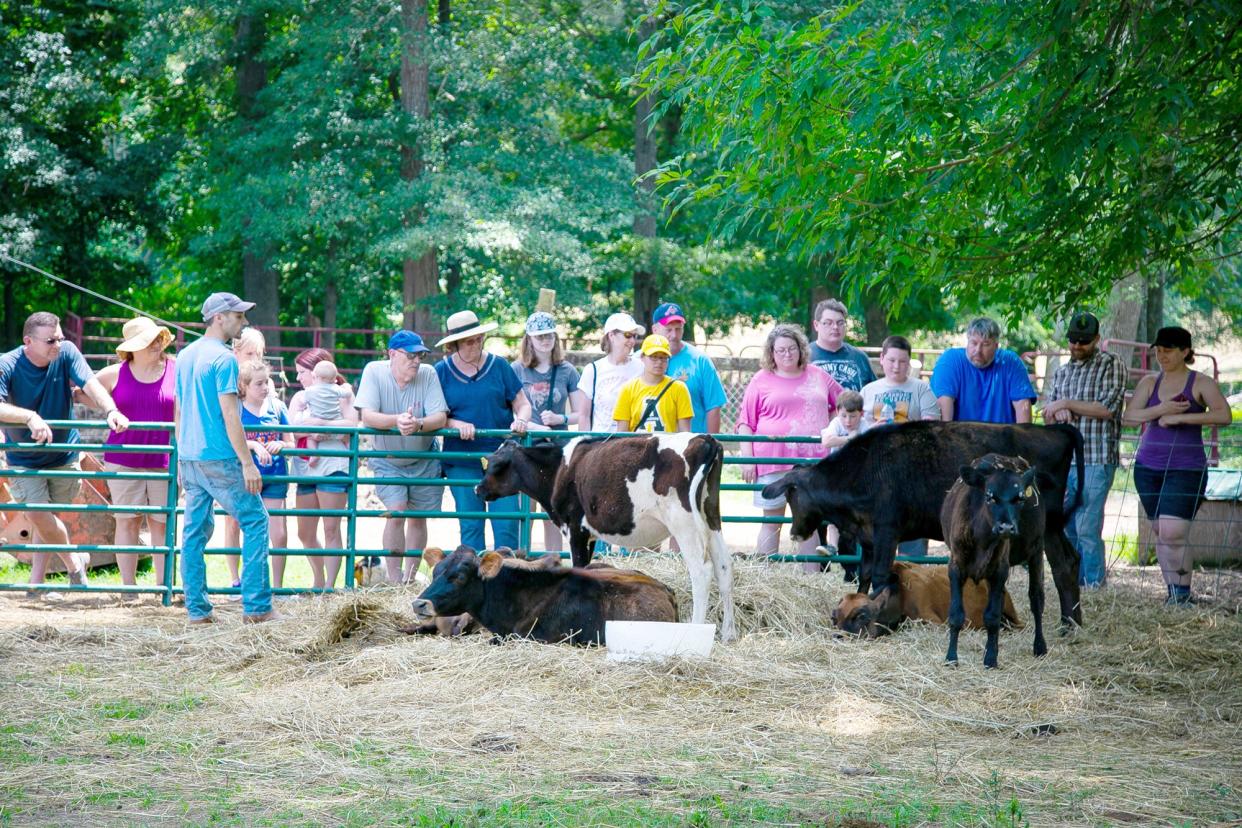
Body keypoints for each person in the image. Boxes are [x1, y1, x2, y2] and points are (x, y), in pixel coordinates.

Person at [0, 311, 129, 590]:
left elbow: (90, 383)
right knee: (38, 513)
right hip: (23, 457)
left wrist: (111, 410)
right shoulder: (7, 364)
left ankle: (36, 583)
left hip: (63, 453)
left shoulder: (67, 353)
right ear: (28, 341)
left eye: (60, 337)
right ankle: (74, 562)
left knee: (49, 517)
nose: (58, 344)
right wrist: (29, 417)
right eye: (50, 340)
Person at [173, 292, 275, 624]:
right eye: (238, 316)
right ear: (220, 317)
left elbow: (178, 411)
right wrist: (247, 462)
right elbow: (231, 416)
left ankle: (198, 611)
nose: (243, 322)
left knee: (193, 533)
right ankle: (258, 608)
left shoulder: (186, 355)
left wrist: (179, 458)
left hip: (190, 458)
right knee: (256, 520)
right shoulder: (223, 359)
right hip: (218, 456)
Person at [1122, 326, 1232, 605]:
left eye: (1168, 350)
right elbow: (1130, 417)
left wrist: (1183, 419)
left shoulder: (1201, 382)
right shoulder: (1149, 382)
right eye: (1158, 350)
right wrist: (1162, 410)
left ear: (1185, 351)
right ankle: (1173, 593)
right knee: (1162, 532)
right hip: (1148, 468)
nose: (1161, 355)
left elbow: (1224, 415)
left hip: (1187, 468)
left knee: (1173, 532)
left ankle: (1182, 595)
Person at [736, 324, 842, 558]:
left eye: (792, 348)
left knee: (809, 522)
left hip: (811, 462)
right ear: (771, 353)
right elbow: (745, 421)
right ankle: (765, 576)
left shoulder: (818, 376)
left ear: (801, 349)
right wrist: (747, 460)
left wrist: (831, 427)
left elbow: (842, 405)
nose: (787, 354)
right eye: (780, 350)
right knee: (772, 519)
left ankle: (811, 581)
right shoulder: (761, 379)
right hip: (772, 458)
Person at [1042, 312, 1127, 590]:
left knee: (1088, 525)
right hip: (1065, 460)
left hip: (1096, 456)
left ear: (1097, 340)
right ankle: (1073, 583)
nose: (1077, 346)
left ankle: (1094, 585)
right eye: (1073, 341)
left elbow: (1107, 409)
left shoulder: (1110, 364)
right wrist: (1058, 410)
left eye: (1084, 341)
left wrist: (1068, 403)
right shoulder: (1062, 372)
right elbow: (1049, 414)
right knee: (1067, 526)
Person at [355, 331, 448, 584]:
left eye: (419, 355)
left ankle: (408, 579)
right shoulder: (374, 371)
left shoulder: (428, 374)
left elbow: (440, 416)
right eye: (410, 355)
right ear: (392, 354)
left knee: (418, 517)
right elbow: (368, 416)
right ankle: (395, 580)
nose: (416, 360)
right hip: (388, 457)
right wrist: (396, 420)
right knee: (396, 512)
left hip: (424, 457)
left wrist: (418, 424)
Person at [435, 310, 531, 550]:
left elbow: (523, 403)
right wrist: (455, 424)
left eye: (479, 338)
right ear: (455, 344)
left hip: (501, 458)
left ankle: (509, 578)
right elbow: (435, 415)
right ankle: (474, 580)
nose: (476, 344)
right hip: (461, 458)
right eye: (469, 341)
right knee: (470, 525)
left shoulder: (499, 366)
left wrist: (521, 420)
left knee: (507, 523)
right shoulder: (441, 371)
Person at [93, 316, 176, 587]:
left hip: (164, 459)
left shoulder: (176, 369)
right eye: (148, 341)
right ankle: (128, 589)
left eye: (156, 339)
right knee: (127, 521)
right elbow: (84, 391)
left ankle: (164, 587)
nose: (155, 344)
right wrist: (108, 410)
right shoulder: (115, 373)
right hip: (124, 458)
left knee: (161, 524)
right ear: (132, 348)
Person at [511, 311, 586, 554]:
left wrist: (559, 418)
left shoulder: (567, 371)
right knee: (525, 508)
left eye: (549, 335)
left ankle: (552, 561)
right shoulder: (516, 370)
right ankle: (524, 557)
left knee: (553, 507)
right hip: (527, 445)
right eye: (539, 336)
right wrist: (533, 426)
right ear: (529, 339)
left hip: (556, 448)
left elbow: (581, 414)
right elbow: (510, 412)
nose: (545, 340)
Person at [288, 347, 358, 590]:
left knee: (331, 527)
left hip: (334, 465)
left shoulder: (343, 394)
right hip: (305, 467)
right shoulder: (300, 397)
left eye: (302, 372)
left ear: (316, 371)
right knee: (304, 532)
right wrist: (327, 430)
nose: (298, 378)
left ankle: (329, 585)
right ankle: (318, 577)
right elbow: (293, 431)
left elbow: (351, 425)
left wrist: (318, 424)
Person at [238, 360, 295, 588]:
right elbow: (231, 440)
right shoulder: (237, 408)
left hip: (275, 475)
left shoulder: (277, 407)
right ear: (244, 385)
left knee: (278, 533)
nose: (265, 388)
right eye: (258, 384)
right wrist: (253, 445)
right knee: (253, 532)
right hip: (248, 477)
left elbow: (291, 442)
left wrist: (281, 444)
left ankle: (278, 586)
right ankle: (252, 584)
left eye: (266, 382)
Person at [930, 317, 1036, 423]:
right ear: (967, 340)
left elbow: (1023, 408)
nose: (978, 350)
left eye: (985, 344)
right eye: (974, 343)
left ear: (996, 346)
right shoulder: (950, 360)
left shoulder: (1011, 362)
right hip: (960, 437)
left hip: (1002, 437)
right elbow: (944, 416)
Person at [651, 301, 726, 433]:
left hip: (691, 447)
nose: (674, 335)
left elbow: (713, 407)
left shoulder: (700, 361)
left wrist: (711, 442)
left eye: (678, 328)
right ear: (655, 330)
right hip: (652, 445)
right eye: (668, 329)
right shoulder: (641, 360)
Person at [578, 312, 644, 433]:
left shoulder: (641, 367)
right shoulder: (592, 370)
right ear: (611, 336)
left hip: (634, 443)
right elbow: (583, 416)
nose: (632, 341)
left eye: (635, 336)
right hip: (601, 443)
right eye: (628, 335)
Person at [613, 335, 694, 433]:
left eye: (664, 358)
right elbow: (622, 433)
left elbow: (685, 433)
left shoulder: (679, 388)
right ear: (642, 357)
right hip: (637, 447)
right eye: (654, 357)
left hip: (667, 447)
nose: (659, 362)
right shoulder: (628, 389)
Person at [861, 335, 941, 427]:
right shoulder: (866, 391)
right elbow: (854, 428)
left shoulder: (922, 389)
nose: (896, 366)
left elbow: (933, 428)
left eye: (902, 361)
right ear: (882, 358)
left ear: (908, 362)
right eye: (892, 360)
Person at [808, 298, 877, 392]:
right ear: (816, 325)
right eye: (828, 323)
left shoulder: (859, 358)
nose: (835, 327)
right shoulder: (804, 355)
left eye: (840, 323)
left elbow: (873, 394)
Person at [302, 360, 351, 467]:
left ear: (317, 377)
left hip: (318, 428)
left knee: (310, 438)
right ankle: (354, 455)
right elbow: (347, 394)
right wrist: (348, 387)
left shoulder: (310, 391)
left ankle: (314, 454)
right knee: (347, 438)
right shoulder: (336, 388)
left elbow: (303, 402)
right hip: (336, 427)